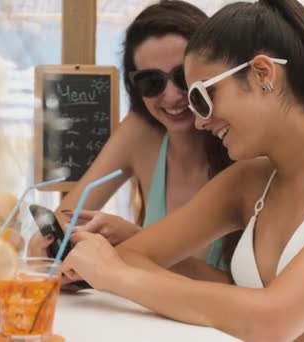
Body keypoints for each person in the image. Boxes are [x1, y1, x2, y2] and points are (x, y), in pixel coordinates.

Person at [61, 1, 304, 340]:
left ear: (263, 75)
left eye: (202, 96)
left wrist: (117, 277)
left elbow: (275, 321)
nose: (199, 120)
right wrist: (121, 256)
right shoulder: (248, 180)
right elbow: (132, 257)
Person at [30, 0, 232, 279]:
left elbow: (241, 290)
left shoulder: (242, 145)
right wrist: (49, 246)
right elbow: (66, 217)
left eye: (183, 77)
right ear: (135, 89)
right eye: (151, 82)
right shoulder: (141, 133)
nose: (172, 96)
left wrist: (131, 241)